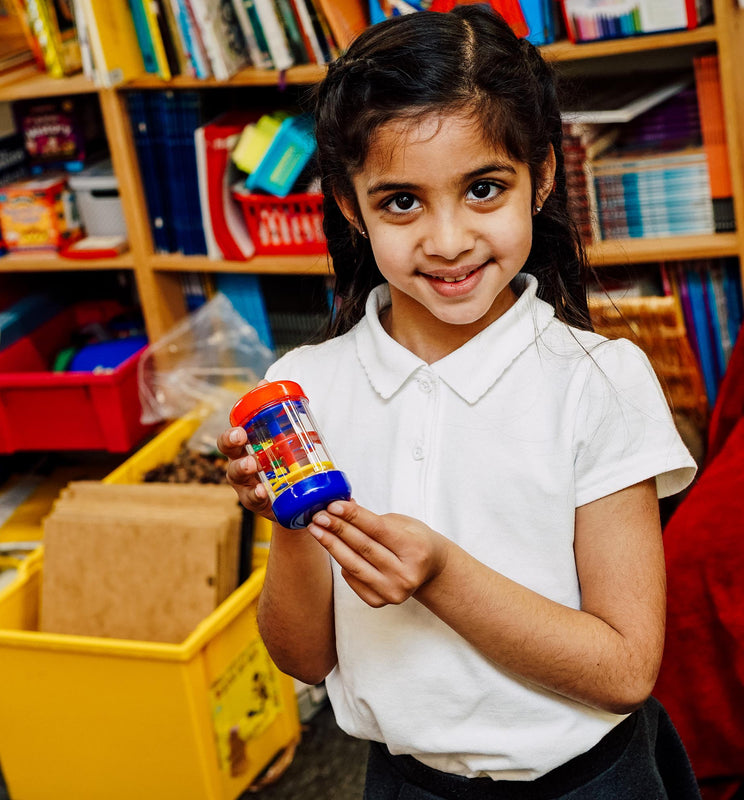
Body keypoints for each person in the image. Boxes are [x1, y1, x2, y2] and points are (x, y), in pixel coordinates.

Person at [218, 6, 700, 798]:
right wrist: (293, 522)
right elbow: (304, 659)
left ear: (541, 177)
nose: (447, 240)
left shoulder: (597, 380)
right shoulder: (304, 388)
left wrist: (440, 573)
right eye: (401, 202)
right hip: (406, 784)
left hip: (587, 783)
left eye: (483, 189)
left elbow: (623, 669)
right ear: (348, 201)